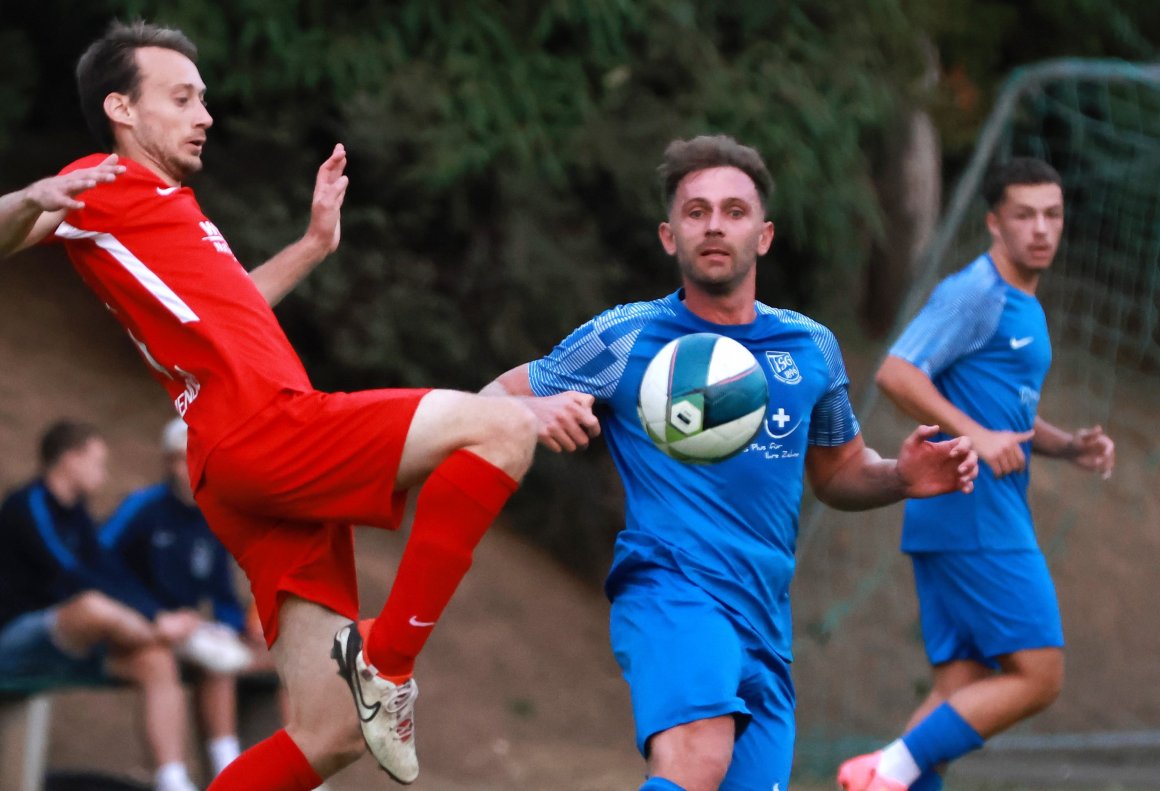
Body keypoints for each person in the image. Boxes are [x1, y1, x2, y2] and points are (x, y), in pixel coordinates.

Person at [0, 19, 538, 790]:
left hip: (235, 464)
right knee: (503, 427)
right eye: (183, 97)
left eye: (204, 98)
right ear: (122, 109)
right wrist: (28, 197)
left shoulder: (170, 210)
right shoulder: (98, 182)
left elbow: (237, 310)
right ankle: (387, 664)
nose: (204, 114)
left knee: (331, 732)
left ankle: (369, 686)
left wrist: (315, 243)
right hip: (265, 428)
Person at [481, 134, 979, 791]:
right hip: (671, 590)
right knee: (695, 756)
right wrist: (532, 414)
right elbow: (490, 399)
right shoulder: (627, 336)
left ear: (764, 235)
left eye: (734, 211)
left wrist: (902, 477)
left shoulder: (810, 348)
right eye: (696, 211)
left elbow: (837, 472)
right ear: (669, 236)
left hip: (765, 622)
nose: (715, 224)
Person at [836, 157, 1116, 791]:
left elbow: (1007, 415)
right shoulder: (977, 293)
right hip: (973, 512)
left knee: (955, 693)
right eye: (1024, 215)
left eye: (1052, 215)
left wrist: (1067, 445)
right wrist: (975, 436)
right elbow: (897, 372)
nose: (1041, 229)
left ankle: (892, 776)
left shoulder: (1024, 304)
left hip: (959, 517)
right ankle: (883, 770)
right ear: (994, 222)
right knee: (1040, 675)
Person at [0, 420, 202, 791]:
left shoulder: (77, 514)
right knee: (92, 605)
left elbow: (110, 571)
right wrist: (156, 622)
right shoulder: (27, 504)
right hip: (13, 641)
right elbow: (70, 572)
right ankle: (157, 633)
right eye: (96, 462)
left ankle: (173, 781)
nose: (102, 473)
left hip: (67, 642)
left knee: (156, 660)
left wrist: (156, 613)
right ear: (70, 459)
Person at [101, 418, 255, 780]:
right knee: (160, 664)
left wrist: (232, 626)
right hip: (135, 626)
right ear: (170, 462)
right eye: (188, 458)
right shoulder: (142, 507)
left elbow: (222, 591)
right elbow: (99, 566)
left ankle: (231, 769)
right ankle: (171, 778)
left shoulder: (213, 516)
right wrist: (152, 615)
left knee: (227, 657)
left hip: (186, 629)